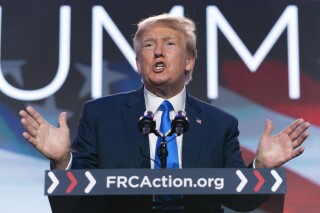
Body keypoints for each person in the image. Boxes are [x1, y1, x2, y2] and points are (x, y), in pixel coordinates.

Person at [19, 14, 310, 212]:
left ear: (189, 61)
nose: (158, 52)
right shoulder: (101, 115)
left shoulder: (219, 124)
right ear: (138, 62)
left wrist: (261, 167)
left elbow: (238, 201)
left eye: (169, 44)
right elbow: (74, 206)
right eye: (149, 46)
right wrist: (62, 161)